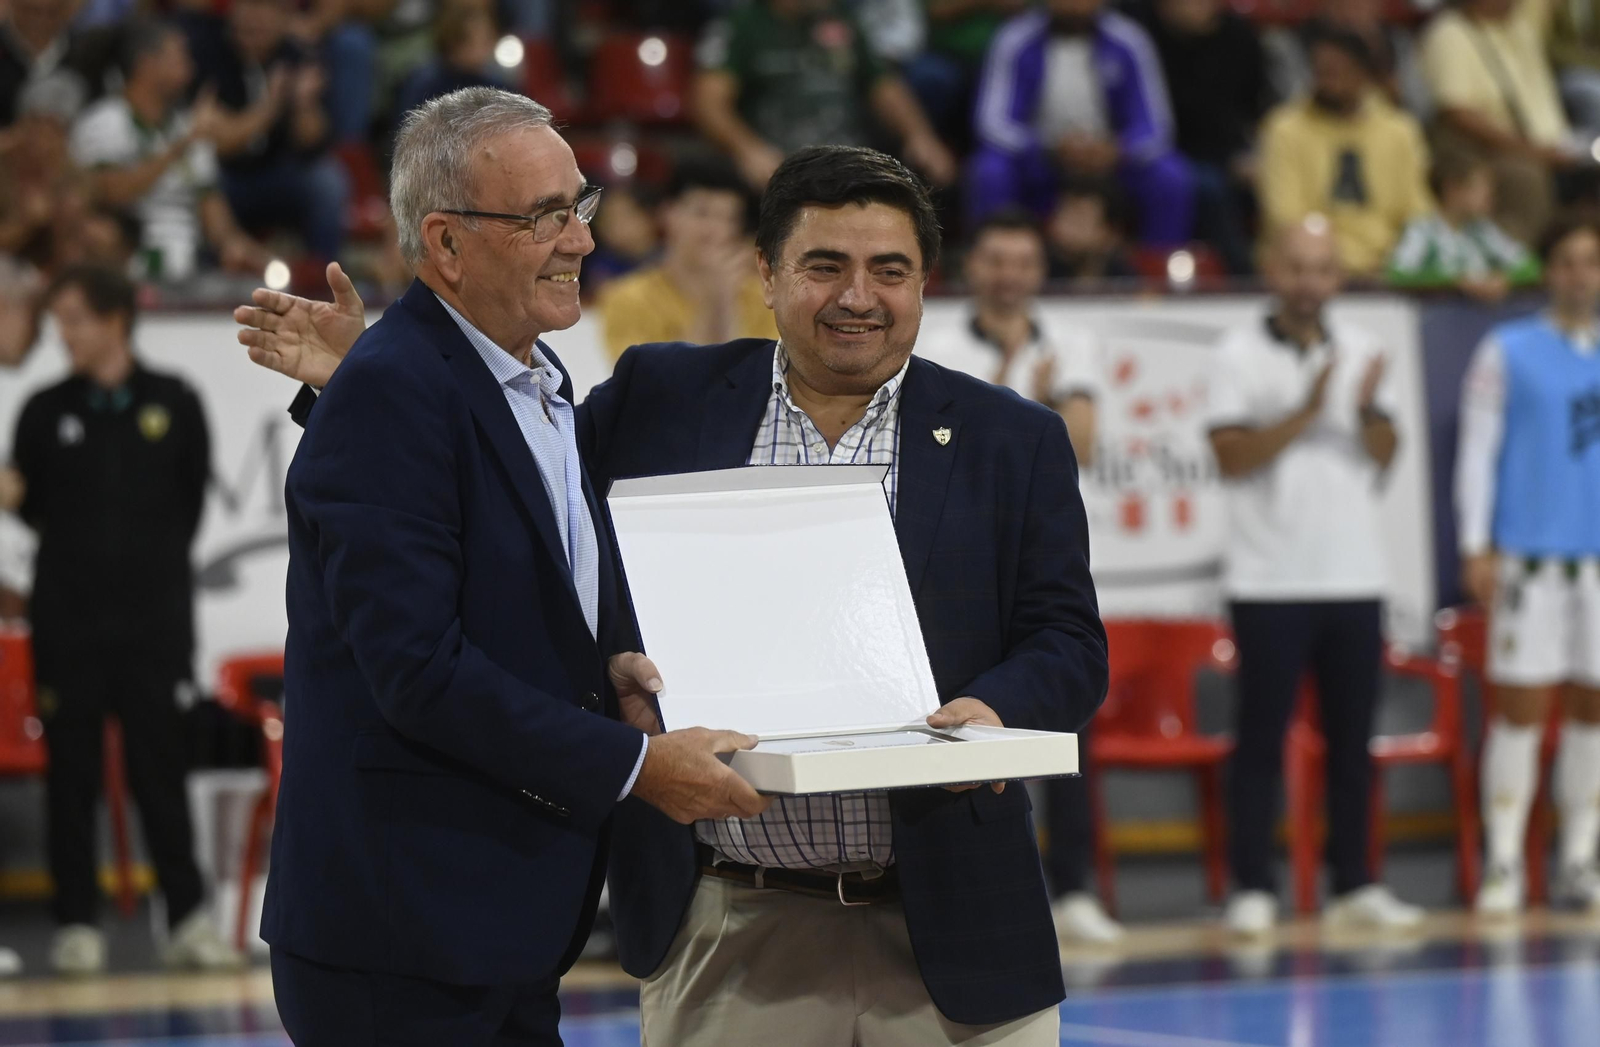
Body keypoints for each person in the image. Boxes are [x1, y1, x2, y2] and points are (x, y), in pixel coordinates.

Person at [239, 144, 1108, 1046]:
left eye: (890, 271)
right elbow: (508, 480)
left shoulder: (1015, 440)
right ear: (765, 274)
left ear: (926, 283)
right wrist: (364, 379)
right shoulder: (665, 396)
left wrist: (999, 708)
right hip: (731, 930)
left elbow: (1070, 643)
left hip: (957, 931)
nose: (859, 297)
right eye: (825, 266)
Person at [252, 87, 768, 1045]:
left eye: (579, 206)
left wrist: (600, 667)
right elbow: (419, 672)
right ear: (445, 245)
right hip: (401, 937)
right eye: (542, 218)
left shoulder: (528, 376)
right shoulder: (395, 389)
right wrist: (640, 766)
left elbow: (509, 590)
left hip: (493, 923)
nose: (579, 240)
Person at [0, 264, 239, 975]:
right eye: (60, 320)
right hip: (67, 624)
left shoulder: (175, 401)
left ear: (115, 322)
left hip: (153, 624)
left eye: (76, 319)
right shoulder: (43, 410)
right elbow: (30, 506)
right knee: (69, 779)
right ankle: (77, 925)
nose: (63, 335)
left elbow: (190, 505)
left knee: (157, 771)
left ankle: (189, 919)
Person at [1206, 219, 1424, 937]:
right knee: (1260, 740)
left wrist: (1359, 408)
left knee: (1353, 742)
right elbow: (1233, 456)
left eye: (1323, 268)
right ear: (1273, 269)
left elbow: (1385, 452)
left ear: (1337, 276)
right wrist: (1307, 407)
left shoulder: (1363, 349)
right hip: (1267, 578)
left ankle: (1355, 881)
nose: (1310, 282)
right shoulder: (1237, 352)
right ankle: (1251, 886)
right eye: (1297, 267)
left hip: (1354, 575)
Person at [916, 207, 1117, 946]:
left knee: (1068, 723)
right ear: (974, 268)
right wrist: (1016, 386)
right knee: (962, 730)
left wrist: (1015, 399)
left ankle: (1075, 888)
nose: (1009, 275)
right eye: (996, 260)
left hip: (1043, 555)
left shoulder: (1075, 339)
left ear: (1039, 270)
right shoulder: (935, 340)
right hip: (963, 565)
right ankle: (970, 895)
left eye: (1023, 261)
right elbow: (961, 445)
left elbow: (1082, 440)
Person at [1457, 214, 1600, 916]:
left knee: (1592, 710)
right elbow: (1478, 452)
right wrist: (1476, 540)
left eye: (1592, 261)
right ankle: (1506, 860)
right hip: (1530, 556)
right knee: (1519, 709)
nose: (1580, 274)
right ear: (1549, 270)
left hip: (1597, 559)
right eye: (1569, 261)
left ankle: (1579, 858)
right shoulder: (1505, 349)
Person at [968, 0, 1194, 245]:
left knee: (1170, 176)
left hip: (1111, 161)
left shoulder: (1129, 39)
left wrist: (1118, 149)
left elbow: (1156, 125)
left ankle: (1159, 270)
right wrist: (1048, 147)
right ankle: (991, 260)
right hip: (1041, 159)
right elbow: (993, 121)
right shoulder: (1015, 38)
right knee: (990, 171)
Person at [69, 19, 269, 283]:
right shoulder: (102, 123)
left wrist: (253, 254)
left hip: (187, 269)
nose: (190, 65)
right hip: (120, 265)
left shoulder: (188, 126)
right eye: (179, 55)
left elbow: (214, 215)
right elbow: (110, 192)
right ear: (147, 63)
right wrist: (181, 146)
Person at [692, 0, 957, 191]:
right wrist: (748, 150)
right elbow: (709, 101)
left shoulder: (843, 22)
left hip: (848, 158)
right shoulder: (743, 25)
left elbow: (884, 86)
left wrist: (919, 134)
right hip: (776, 161)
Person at [1258, 25, 1433, 278]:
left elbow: (1418, 213)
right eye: (1320, 73)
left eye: (1336, 73)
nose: (1326, 83)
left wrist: (1398, 263)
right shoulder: (1284, 129)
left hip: (1387, 271)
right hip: (1306, 272)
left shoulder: (1400, 130)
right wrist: (1334, 265)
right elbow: (1284, 216)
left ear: (1363, 75)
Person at [182, 0, 348, 264]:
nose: (253, 17)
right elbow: (215, 142)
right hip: (228, 175)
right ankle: (207, 272)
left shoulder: (299, 57)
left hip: (281, 171)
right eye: (246, 6)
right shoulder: (208, 53)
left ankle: (324, 274)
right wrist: (269, 109)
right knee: (199, 185)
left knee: (327, 181)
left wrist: (305, 106)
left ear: (285, 19)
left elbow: (312, 141)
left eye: (265, 8)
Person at [1129, 0, 1273, 275]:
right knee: (1207, 187)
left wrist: (1250, 154)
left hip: (1227, 152)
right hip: (1170, 149)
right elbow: (1159, 118)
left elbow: (1255, 109)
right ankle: (1241, 276)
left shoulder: (1239, 36)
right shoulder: (1143, 34)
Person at [1420, 0, 1577, 247]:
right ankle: (1520, 262)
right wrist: (1531, 151)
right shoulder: (1448, 34)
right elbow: (1457, 113)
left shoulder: (1522, 29)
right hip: (1483, 149)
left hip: (1552, 144)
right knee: (1527, 177)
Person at [595, 156, 776, 362]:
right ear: (668, 214)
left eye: (729, 218)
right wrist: (714, 303)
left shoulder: (764, 300)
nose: (717, 230)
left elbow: (764, 382)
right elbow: (649, 386)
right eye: (702, 213)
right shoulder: (627, 299)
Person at [1387, 152, 1539, 300]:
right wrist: (1457, 282)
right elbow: (1398, 275)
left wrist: (1504, 279)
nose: (1490, 196)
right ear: (1452, 190)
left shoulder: (1484, 231)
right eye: (1481, 188)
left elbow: (1531, 268)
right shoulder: (1421, 230)